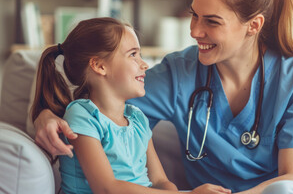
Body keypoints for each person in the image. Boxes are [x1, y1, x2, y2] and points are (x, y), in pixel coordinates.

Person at [32, 0, 293, 194]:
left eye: (211, 22)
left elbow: (291, 175)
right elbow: (101, 103)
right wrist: (45, 115)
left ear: (253, 25)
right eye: (194, 15)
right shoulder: (180, 73)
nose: (194, 31)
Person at [31, 17, 231, 194]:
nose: (144, 64)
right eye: (133, 54)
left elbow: (160, 181)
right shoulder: (82, 116)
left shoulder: (137, 118)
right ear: (100, 66)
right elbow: (107, 188)